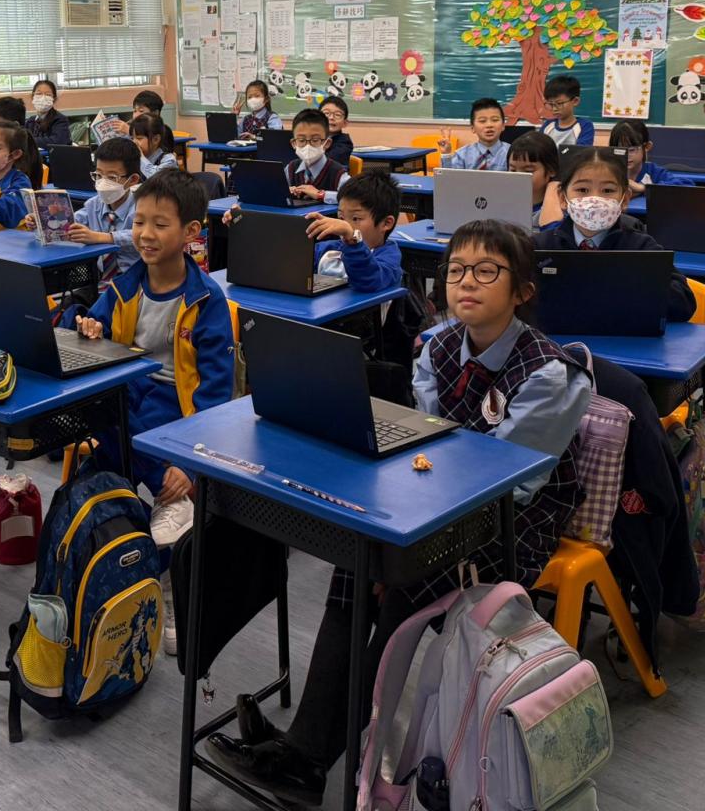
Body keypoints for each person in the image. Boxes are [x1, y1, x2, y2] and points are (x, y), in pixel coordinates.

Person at [205, 220, 588, 806]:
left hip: (510, 522)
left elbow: (509, 484)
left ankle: (310, 753)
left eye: (487, 271)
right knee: (355, 561)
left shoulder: (549, 374)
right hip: (434, 497)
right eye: (457, 270)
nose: (467, 282)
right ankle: (307, 748)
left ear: (523, 290)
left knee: (399, 581)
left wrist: (412, 523)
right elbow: (427, 436)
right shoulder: (436, 347)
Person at [71, 170, 235, 653]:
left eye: (160, 224)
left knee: (115, 436)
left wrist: (190, 462)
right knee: (101, 426)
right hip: (130, 390)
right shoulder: (125, 285)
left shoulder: (206, 299)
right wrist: (88, 327)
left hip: (176, 406)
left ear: (190, 232)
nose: (144, 233)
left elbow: (215, 393)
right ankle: (163, 504)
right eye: (139, 222)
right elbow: (94, 326)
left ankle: (170, 580)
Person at [534, 147, 695, 322]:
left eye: (607, 191)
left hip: (623, 336)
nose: (595, 200)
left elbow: (684, 304)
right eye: (582, 190)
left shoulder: (641, 248)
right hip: (556, 336)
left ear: (624, 199)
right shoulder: (538, 247)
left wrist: (631, 280)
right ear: (562, 198)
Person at [302, 171, 402, 293]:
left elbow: (369, 280)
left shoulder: (389, 257)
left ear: (386, 223)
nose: (344, 226)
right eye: (341, 218)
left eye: (355, 218)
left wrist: (353, 239)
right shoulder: (327, 249)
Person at [68, 136, 144, 286]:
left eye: (112, 177)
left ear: (133, 180)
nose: (103, 182)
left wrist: (103, 237)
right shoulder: (94, 204)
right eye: (98, 175)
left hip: (137, 281)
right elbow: (71, 221)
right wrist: (42, 219)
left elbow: (142, 234)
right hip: (100, 281)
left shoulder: (143, 206)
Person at [608, 119, 692, 192]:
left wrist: (645, 188)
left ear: (647, 147)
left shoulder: (654, 172)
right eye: (620, 151)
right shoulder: (608, 171)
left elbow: (687, 185)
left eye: (631, 150)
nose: (626, 156)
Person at [286, 108, 349, 204]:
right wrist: (286, 191)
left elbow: (354, 198)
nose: (308, 146)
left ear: (327, 143)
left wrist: (321, 195)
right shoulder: (291, 168)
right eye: (301, 140)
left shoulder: (338, 173)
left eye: (315, 140)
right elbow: (274, 190)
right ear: (294, 144)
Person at [508, 129, 564, 229]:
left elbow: (553, 235)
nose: (518, 176)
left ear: (551, 170)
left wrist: (553, 188)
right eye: (512, 170)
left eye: (528, 171)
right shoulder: (503, 201)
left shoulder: (562, 206)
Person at [438, 97, 509, 170]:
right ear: (473, 128)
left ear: (503, 125)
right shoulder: (462, 155)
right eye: (482, 121)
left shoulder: (511, 153)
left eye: (495, 120)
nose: (489, 125)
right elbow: (450, 176)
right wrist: (446, 154)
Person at [540, 75, 593, 146]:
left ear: (575, 101)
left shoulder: (584, 126)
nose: (554, 109)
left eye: (559, 103)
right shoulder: (547, 125)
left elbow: (582, 151)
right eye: (551, 104)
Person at [25, 79, 72, 148]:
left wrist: (28, 141)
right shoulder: (30, 121)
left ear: (54, 99)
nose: (43, 98)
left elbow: (58, 141)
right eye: (39, 94)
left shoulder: (60, 120)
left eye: (48, 95)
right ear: (32, 97)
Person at [131, 113, 178, 179]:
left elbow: (156, 179)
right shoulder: (133, 158)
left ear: (156, 139)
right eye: (132, 138)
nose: (134, 142)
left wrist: (141, 157)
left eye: (139, 138)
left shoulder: (169, 160)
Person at [319, 95, 354, 167]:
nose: (331, 117)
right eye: (326, 113)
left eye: (337, 115)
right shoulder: (313, 138)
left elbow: (326, 163)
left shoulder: (345, 143)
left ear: (345, 123)